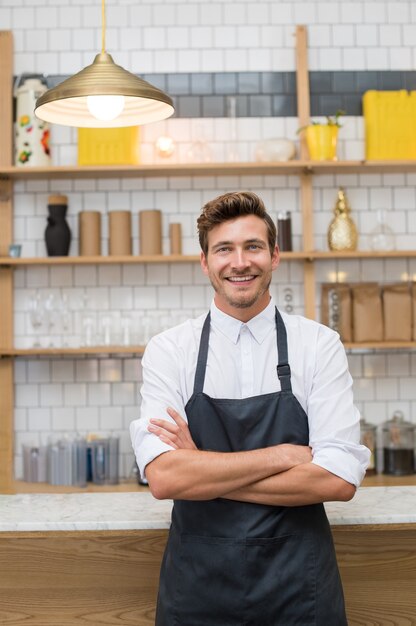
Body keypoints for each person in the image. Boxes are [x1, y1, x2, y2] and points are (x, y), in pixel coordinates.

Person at [130, 190, 370, 626]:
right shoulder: (170, 350)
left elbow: (338, 480)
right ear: (205, 262)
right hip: (198, 591)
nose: (239, 262)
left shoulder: (318, 345)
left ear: (275, 256)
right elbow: (165, 478)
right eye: (224, 249)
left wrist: (201, 468)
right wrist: (282, 456)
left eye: (253, 246)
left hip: (300, 591)